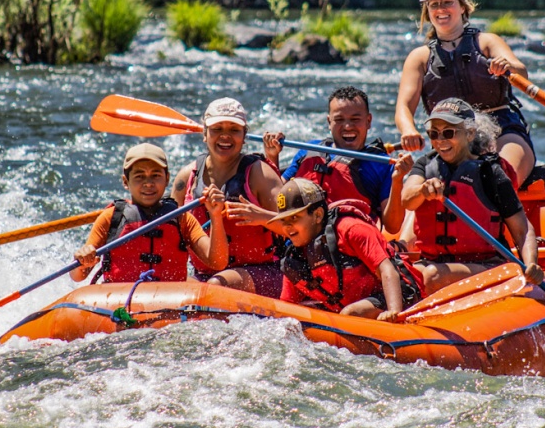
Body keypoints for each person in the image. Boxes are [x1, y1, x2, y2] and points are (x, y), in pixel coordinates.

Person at [395, 0, 536, 187]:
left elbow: (521, 73)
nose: (441, 9)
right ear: (428, 12)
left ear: (462, 6)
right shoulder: (419, 57)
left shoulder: (487, 42)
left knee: (500, 181)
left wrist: (507, 66)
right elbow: (403, 107)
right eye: (434, 5)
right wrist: (408, 130)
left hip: (502, 130)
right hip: (449, 138)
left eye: (447, 2)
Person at [399, 98, 543, 295]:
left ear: (469, 134)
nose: (440, 140)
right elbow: (407, 198)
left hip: (485, 266)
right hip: (431, 263)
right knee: (405, 274)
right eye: (434, 133)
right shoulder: (425, 164)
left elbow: (523, 229)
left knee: (432, 275)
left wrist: (531, 263)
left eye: (448, 133)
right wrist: (423, 190)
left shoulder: (491, 173)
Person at [171, 97, 286, 297]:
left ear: (244, 136)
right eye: (217, 129)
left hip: (264, 273)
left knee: (217, 285)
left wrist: (262, 217)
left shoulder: (260, 174)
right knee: (173, 279)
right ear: (204, 134)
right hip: (204, 275)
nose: (225, 136)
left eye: (234, 130)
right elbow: (170, 237)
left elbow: (298, 228)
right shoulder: (186, 179)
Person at [260, 86, 412, 235]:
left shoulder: (381, 164)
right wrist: (272, 156)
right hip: (299, 243)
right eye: (339, 119)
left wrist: (397, 181)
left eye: (355, 119)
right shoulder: (308, 150)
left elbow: (393, 227)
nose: (347, 126)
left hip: (348, 248)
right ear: (329, 121)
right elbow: (275, 201)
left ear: (368, 121)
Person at [72, 143, 228, 284]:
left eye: (156, 175)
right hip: (119, 304)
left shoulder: (182, 218)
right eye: (139, 177)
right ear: (126, 182)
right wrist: (83, 259)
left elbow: (218, 262)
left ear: (167, 179)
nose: (148, 183)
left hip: (171, 301)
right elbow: (77, 276)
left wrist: (215, 216)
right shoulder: (111, 218)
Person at [272, 178, 424, 321]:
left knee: (350, 313)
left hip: (398, 295)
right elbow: (287, 309)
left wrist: (394, 312)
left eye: (294, 218)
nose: (287, 226)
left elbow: (387, 270)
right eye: (283, 220)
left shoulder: (351, 229)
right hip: (352, 309)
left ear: (318, 215)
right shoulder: (296, 259)